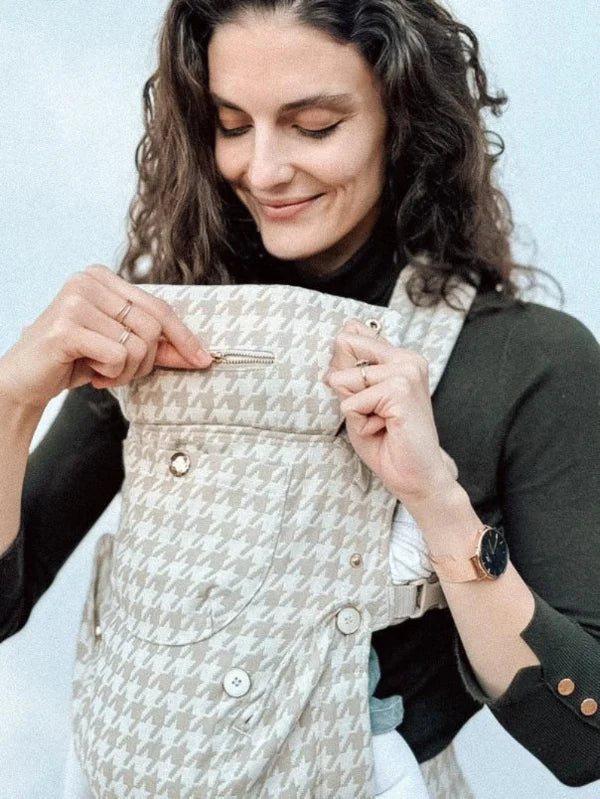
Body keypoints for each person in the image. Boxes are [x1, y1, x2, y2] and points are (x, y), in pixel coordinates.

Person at [1, 0, 599, 796]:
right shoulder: (165, 325)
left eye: (314, 125)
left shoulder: (530, 362)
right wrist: (13, 396)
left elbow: (582, 739)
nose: (264, 169)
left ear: (404, 116)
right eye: (232, 123)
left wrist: (439, 502)